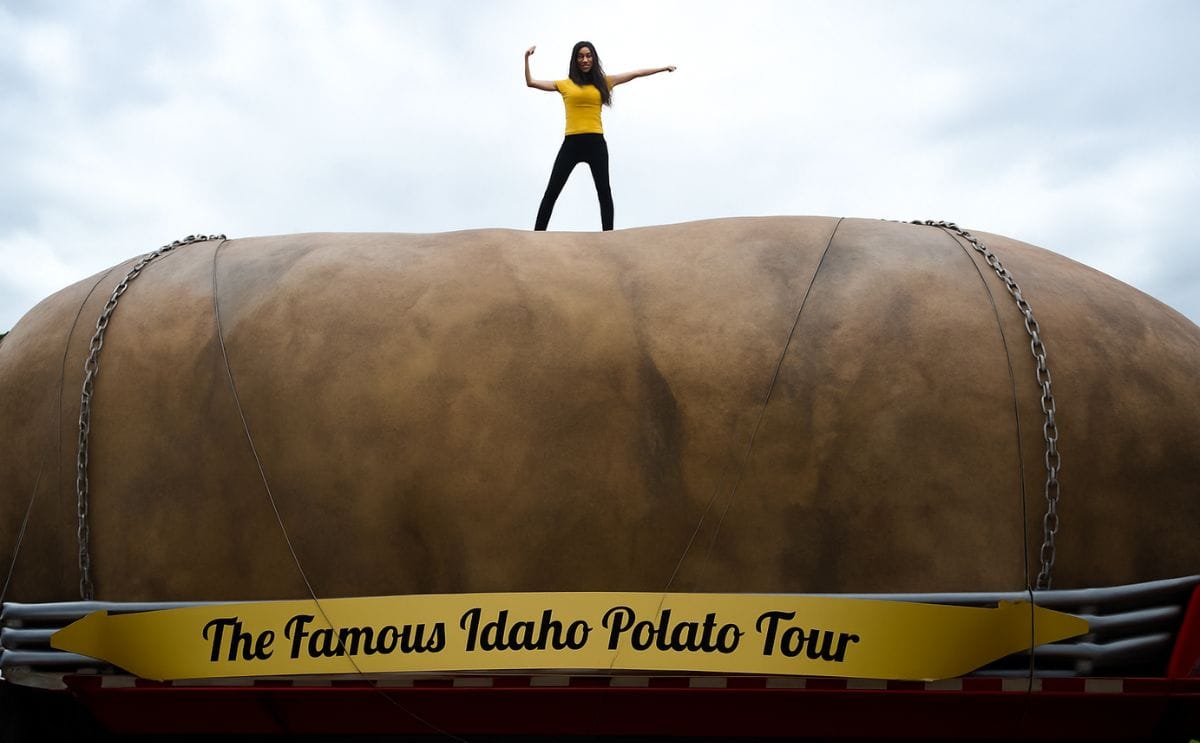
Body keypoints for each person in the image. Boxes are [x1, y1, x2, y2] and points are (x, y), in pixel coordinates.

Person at [525, 41, 675, 231]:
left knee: (604, 191)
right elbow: (531, 82)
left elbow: (636, 73)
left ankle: (609, 236)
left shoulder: (604, 82)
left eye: (588, 56)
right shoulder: (564, 84)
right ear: (575, 60)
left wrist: (663, 68)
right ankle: (537, 235)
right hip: (571, 143)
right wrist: (526, 58)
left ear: (594, 58)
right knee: (552, 191)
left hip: (596, 143)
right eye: (580, 56)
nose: (585, 60)